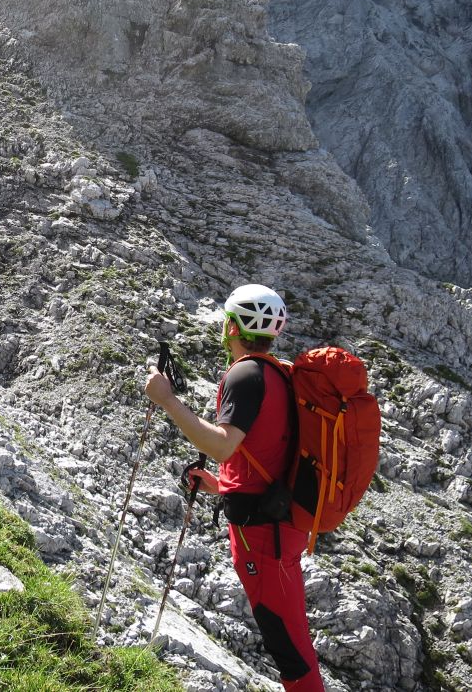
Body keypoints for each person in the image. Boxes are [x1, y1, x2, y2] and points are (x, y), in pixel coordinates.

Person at [144, 283, 326, 692]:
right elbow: (265, 452)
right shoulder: (277, 375)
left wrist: (167, 400)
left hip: (264, 537)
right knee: (291, 640)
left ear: (232, 327)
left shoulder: (245, 374)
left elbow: (222, 446)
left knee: (290, 650)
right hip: (279, 525)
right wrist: (221, 486)